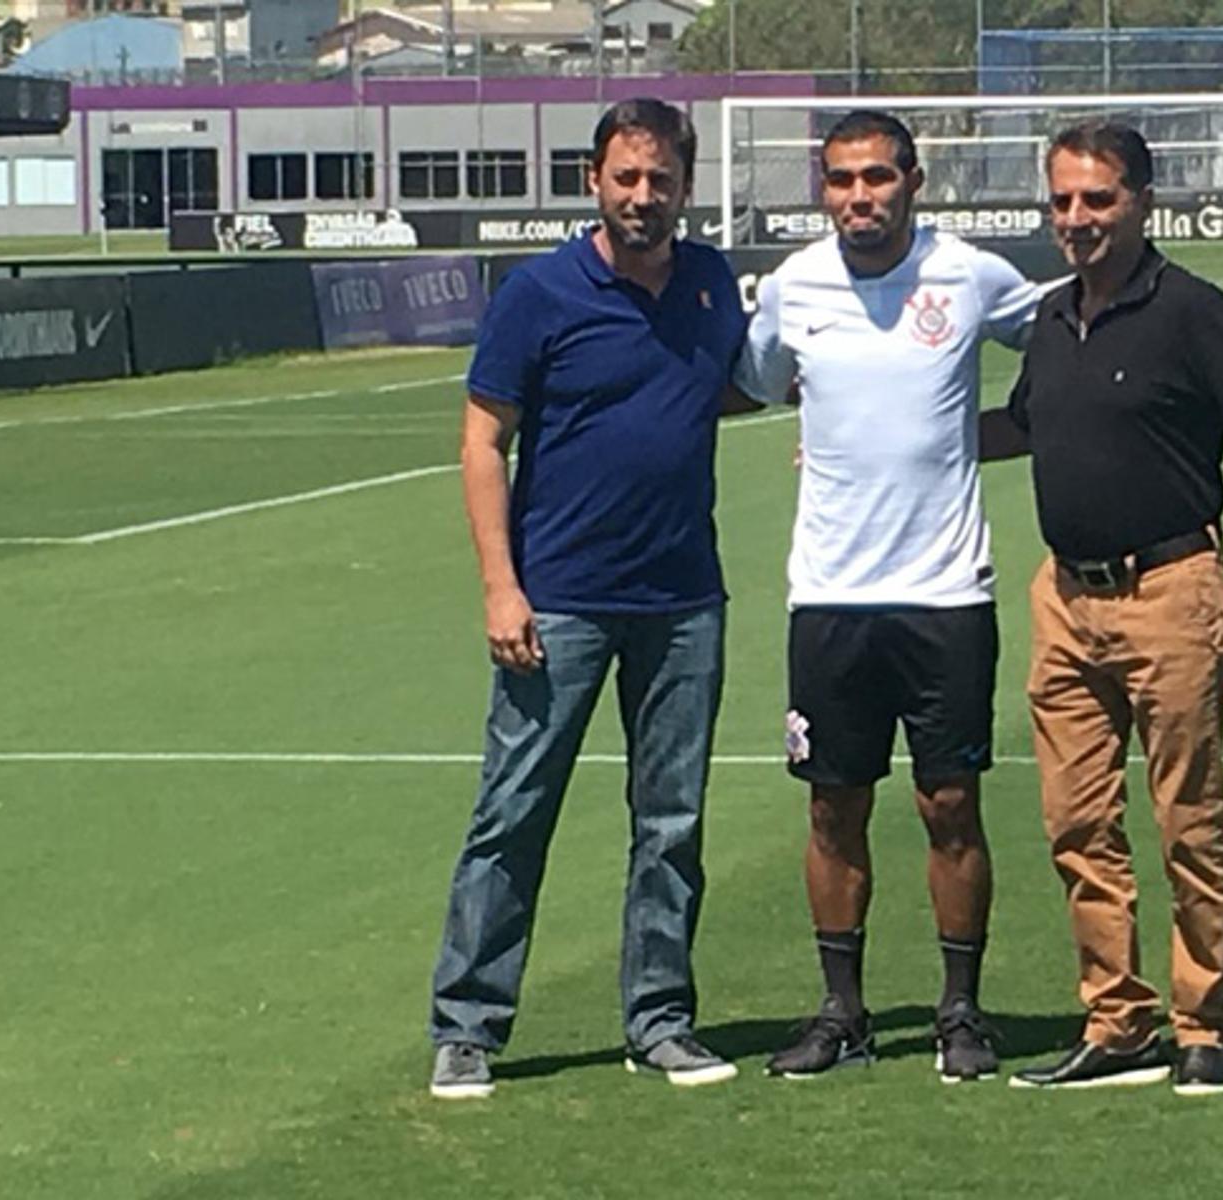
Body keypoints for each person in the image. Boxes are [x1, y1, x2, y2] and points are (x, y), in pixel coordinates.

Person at [979, 121, 1223, 1095]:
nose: (1077, 219)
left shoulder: (1191, 312)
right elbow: (1024, 425)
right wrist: (879, 441)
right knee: (1076, 825)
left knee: (1187, 820)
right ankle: (1116, 1018)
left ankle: (1205, 1021)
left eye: (1098, 200)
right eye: (1061, 202)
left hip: (1172, 594)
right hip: (1065, 599)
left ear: (1141, 201)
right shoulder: (1052, 320)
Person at [425, 98, 753, 1098]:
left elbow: (728, 388)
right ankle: (467, 1026)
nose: (642, 197)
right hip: (557, 602)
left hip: (684, 599)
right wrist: (499, 586)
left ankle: (659, 1020)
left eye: (660, 181)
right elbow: (484, 440)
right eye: (626, 178)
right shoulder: (539, 293)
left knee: (672, 823)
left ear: (686, 190)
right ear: (593, 182)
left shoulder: (709, 284)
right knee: (514, 812)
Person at [732, 110, 1042, 1083]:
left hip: (947, 594)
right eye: (839, 180)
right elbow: (764, 383)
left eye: (875, 177)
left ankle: (960, 1012)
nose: (858, 197)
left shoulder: (973, 276)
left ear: (916, 180)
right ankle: (844, 1012)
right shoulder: (794, 288)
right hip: (828, 596)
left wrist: (999, 432)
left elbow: (1063, 346)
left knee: (949, 803)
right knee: (833, 808)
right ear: (822, 190)